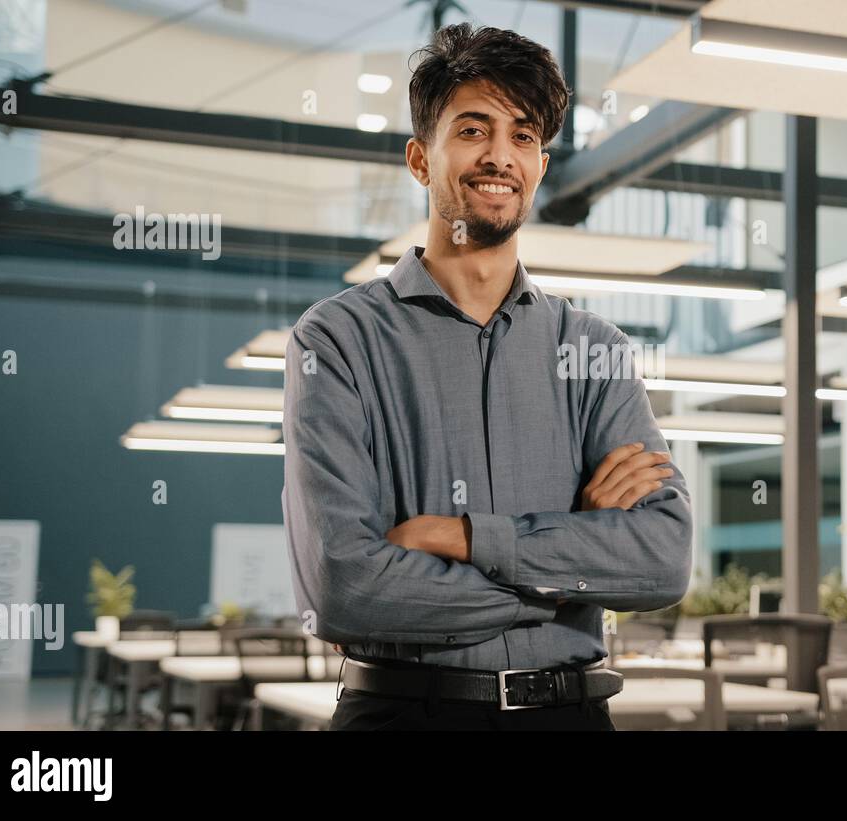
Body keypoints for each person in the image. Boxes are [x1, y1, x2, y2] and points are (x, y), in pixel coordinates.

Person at [281, 23, 693, 731]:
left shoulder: (595, 350)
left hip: (570, 716)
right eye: (473, 130)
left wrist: (467, 538)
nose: (500, 155)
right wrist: (567, 576)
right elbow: (346, 588)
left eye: (523, 136)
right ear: (420, 158)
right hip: (404, 715)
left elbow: (661, 559)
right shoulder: (338, 340)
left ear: (539, 165)